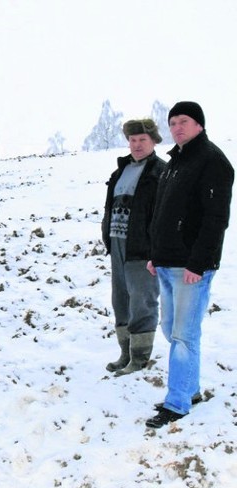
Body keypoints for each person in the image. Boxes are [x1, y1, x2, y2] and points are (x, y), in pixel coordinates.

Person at [146, 101, 234, 428]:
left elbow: (215, 220)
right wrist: (155, 254)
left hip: (191, 268)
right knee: (172, 331)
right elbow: (163, 214)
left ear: (199, 124)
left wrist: (198, 263)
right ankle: (191, 388)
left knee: (183, 336)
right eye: (172, 123)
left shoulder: (212, 161)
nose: (177, 127)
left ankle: (178, 403)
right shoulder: (175, 163)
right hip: (167, 263)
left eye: (184, 121)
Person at [102, 119, 165, 376]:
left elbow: (164, 215)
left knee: (142, 301)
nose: (137, 145)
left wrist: (157, 248)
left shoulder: (160, 172)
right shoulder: (121, 171)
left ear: (153, 142)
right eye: (133, 140)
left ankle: (139, 358)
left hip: (142, 247)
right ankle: (125, 353)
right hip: (118, 244)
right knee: (121, 300)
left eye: (143, 140)